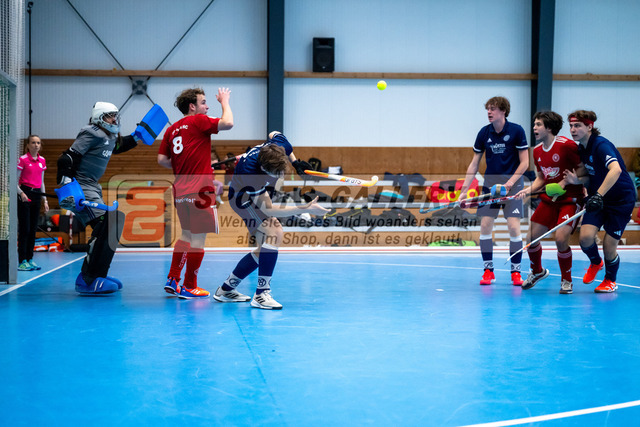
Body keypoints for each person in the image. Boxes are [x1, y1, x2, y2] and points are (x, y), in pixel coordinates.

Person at [213, 131, 326, 309]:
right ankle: (261, 294)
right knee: (275, 231)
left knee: (263, 250)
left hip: (257, 192)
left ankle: (225, 290)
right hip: (243, 198)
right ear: (264, 169)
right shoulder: (251, 174)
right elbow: (268, 208)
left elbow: (274, 133)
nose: (280, 176)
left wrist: (295, 162)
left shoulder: (279, 146)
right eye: (276, 174)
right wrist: (305, 208)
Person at [57, 102, 141, 294]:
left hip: (93, 187)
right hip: (81, 186)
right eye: (110, 116)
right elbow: (67, 158)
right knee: (106, 222)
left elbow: (117, 146)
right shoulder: (91, 132)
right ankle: (88, 279)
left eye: (115, 116)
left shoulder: (109, 136)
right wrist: (67, 186)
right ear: (99, 117)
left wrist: (137, 136)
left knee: (112, 223)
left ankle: (98, 275)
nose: (114, 119)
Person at [158, 87, 233, 299]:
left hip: (180, 190)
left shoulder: (171, 130)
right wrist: (224, 101)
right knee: (198, 239)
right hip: (200, 190)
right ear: (192, 106)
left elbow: (162, 160)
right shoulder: (198, 121)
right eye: (203, 102)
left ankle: (173, 279)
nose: (207, 107)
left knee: (186, 235)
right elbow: (228, 123)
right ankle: (190, 286)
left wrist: (185, 163)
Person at [459, 96, 529, 286]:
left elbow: (525, 162)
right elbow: (474, 163)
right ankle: (488, 271)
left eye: (493, 109)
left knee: (513, 227)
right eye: (488, 109)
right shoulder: (484, 133)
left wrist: (509, 184)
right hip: (490, 186)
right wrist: (464, 190)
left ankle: (516, 272)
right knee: (485, 226)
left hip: (513, 186)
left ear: (503, 111)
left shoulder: (516, 131)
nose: (489, 112)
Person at [563, 110, 636, 293]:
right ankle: (596, 262)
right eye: (571, 126)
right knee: (585, 239)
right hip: (599, 199)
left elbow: (615, 170)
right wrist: (577, 181)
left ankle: (610, 280)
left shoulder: (601, 145)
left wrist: (597, 196)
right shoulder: (582, 149)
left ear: (590, 127)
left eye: (577, 125)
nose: (572, 129)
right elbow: (591, 176)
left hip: (620, 200)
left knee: (609, 245)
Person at [514, 111, 584, 293]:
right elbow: (541, 178)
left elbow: (583, 171)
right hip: (549, 201)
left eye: (538, 124)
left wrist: (573, 181)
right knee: (531, 238)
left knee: (560, 239)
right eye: (534, 124)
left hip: (570, 200)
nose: (534, 128)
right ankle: (537, 271)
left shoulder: (567, 146)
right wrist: (527, 191)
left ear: (549, 128)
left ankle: (566, 280)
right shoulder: (536, 151)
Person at [17, 135, 49, 271]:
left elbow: (41, 182)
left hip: (37, 195)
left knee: (33, 229)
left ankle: (30, 259)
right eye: (33, 142)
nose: (36, 145)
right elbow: (15, 181)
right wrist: (21, 193)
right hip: (25, 194)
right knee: (25, 229)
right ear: (28, 145)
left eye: (38, 143)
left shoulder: (42, 160)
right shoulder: (23, 159)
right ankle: (22, 261)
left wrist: (45, 200)